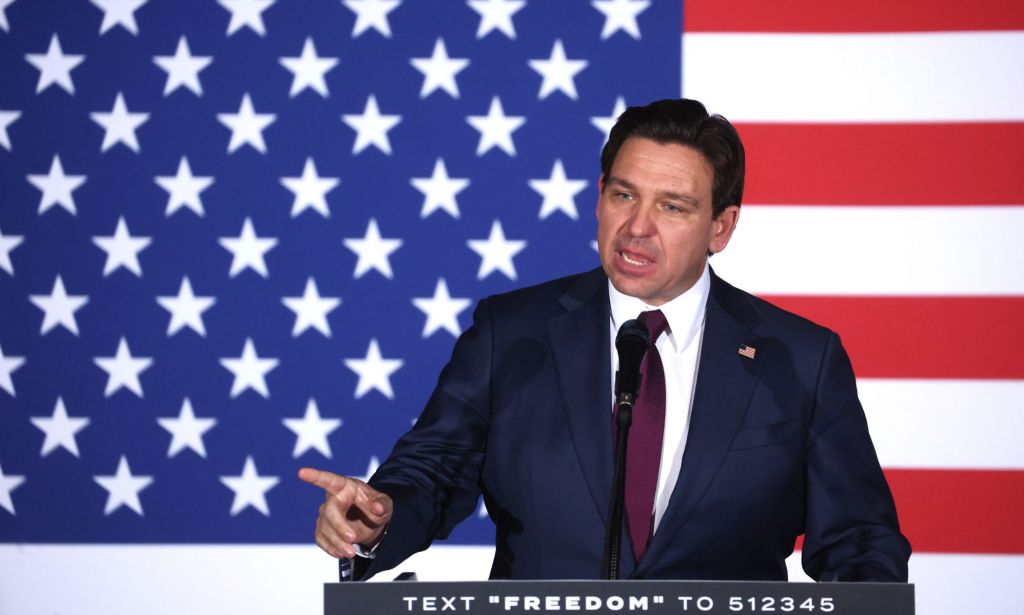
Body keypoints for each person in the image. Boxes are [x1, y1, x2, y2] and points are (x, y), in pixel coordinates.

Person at [299, 98, 911, 582]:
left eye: (672, 207)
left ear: (720, 228)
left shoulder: (800, 359)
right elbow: (431, 475)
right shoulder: (511, 333)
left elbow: (859, 542)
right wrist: (374, 522)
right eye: (623, 195)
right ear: (599, 198)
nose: (637, 228)